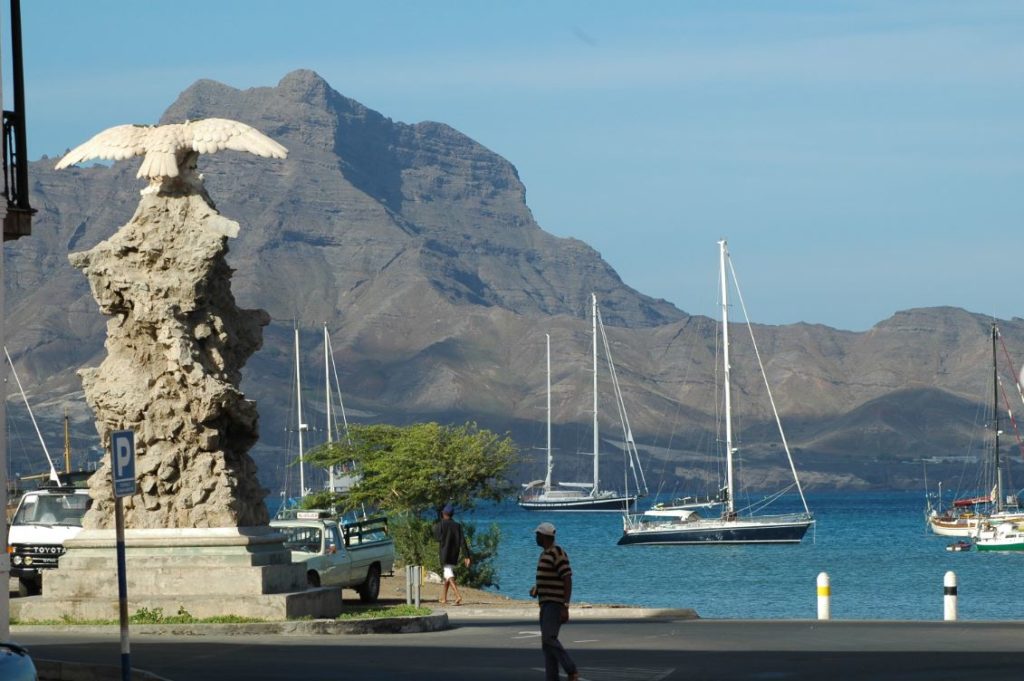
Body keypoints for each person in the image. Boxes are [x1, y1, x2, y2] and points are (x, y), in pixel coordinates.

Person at [529, 522, 579, 681]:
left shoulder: (557, 553)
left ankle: (571, 669)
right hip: (544, 603)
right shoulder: (545, 554)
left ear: (544, 536)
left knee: (549, 639)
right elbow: (549, 577)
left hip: (554, 604)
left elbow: (567, 578)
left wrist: (565, 605)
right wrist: (537, 588)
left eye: (537, 535)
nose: (536, 537)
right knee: (547, 645)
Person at [433, 504, 471, 605]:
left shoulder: (441, 524)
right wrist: (467, 556)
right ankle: (444, 598)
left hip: (444, 553)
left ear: (443, 514)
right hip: (454, 553)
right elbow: (463, 541)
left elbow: (436, 537)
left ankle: (458, 595)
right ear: (452, 515)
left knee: (448, 574)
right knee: (447, 574)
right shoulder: (457, 526)